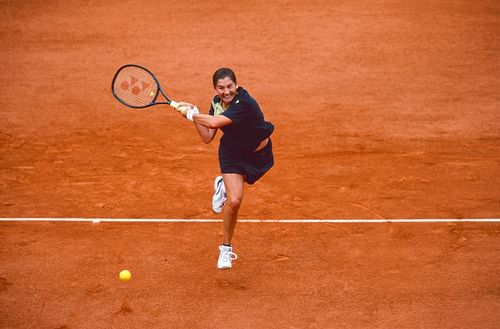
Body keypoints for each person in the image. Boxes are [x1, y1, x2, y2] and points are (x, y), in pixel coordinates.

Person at [176, 68, 275, 270]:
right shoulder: (216, 103)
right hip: (232, 153)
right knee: (235, 200)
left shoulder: (244, 103)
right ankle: (226, 248)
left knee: (237, 190)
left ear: (236, 86)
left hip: (258, 156)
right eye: (221, 88)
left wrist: (193, 114)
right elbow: (207, 137)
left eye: (229, 86)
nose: (226, 91)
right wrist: (194, 115)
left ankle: (223, 185)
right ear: (215, 88)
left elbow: (213, 121)